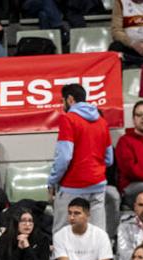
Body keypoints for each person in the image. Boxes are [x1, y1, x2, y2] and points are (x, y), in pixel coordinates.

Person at [48, 84, 112, 232]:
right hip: (98, 185)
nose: (62, 104)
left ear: (70, 99)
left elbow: (64, 157)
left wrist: (52, 181)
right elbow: (109, 159)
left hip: (72, 185)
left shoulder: (68, 119)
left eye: (62, 100)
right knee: (97, 234)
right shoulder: (102, 122)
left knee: (61, 233)